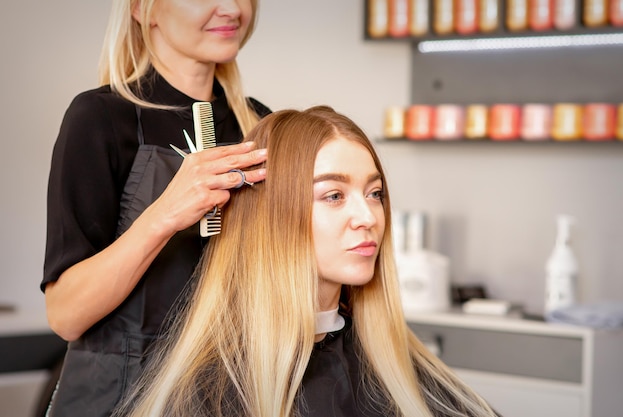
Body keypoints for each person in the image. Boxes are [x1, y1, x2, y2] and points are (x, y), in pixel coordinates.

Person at [116, 106, 499, 417]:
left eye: (375, 192)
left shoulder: (400, 368)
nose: (368, 217)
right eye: (334, 195)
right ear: (270, 216)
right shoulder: (208, 395)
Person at [40, 1, 270, 416]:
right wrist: (166, 215)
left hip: (227, 394)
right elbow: (66, 314)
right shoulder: (100, 118)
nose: (232, 9)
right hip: (118, 397)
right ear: (143, 9)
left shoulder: (258, 125)